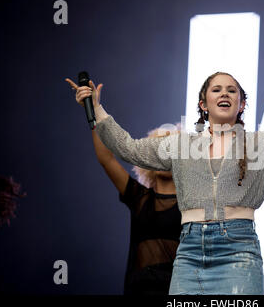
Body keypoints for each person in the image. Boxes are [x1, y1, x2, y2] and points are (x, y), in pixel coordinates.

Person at [70, 72, 264, 294]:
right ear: (203, 105)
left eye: (232, 90)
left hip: (239, 250)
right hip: (190, 251)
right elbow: (127, 148)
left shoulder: (261, 145)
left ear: (242, 104)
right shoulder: (182, 145)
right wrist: (96, 108)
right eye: (217, 89)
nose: (224, 93)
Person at [65, 78, 182, 295]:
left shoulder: (193, 203)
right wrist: (92, 111)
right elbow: (106, 158)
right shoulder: (139, 197)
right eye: (156, 150)